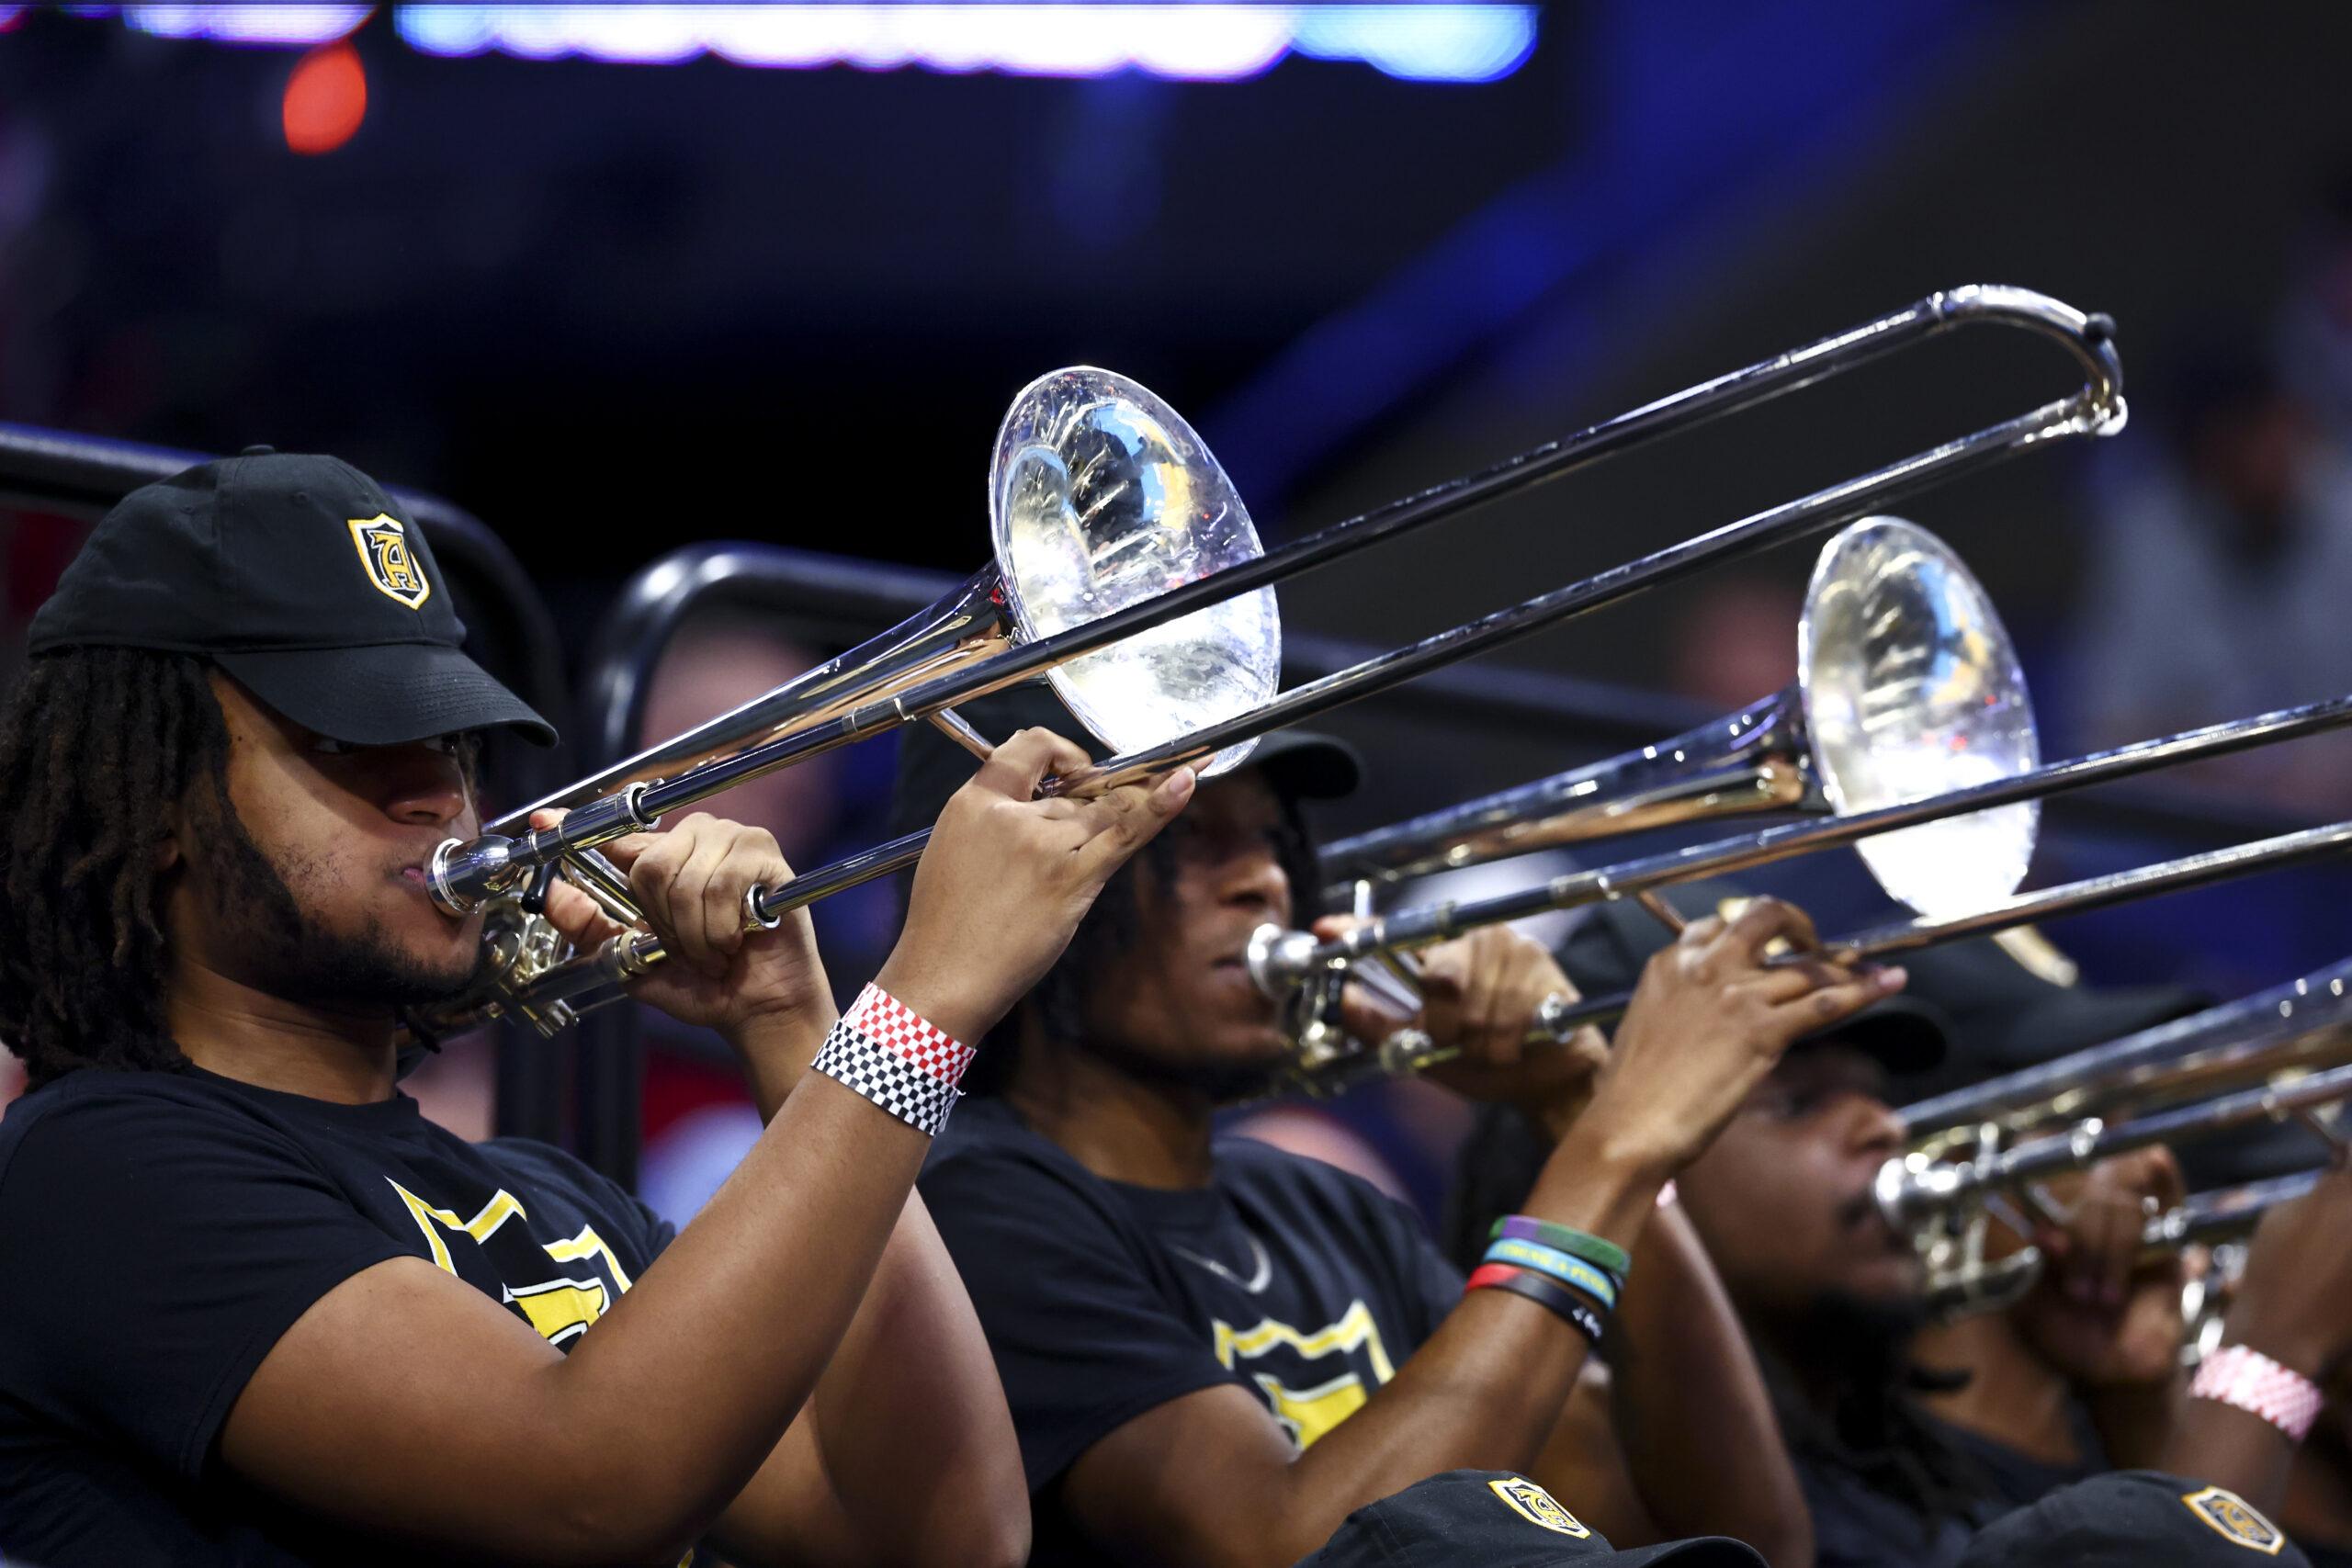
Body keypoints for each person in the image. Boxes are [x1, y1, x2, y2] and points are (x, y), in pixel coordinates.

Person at [0, 450, 1193, 1565]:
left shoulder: (554, 1195)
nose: (439, 791)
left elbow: (945, 1536)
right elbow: (586, 1484)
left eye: (449, 737)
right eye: (349, 738)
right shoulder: (93, 1170)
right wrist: (926, 1001)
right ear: (156, 801)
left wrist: (795, 1026)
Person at [893, 685, 1910, 1568]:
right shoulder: (976, 1206)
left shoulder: (1319, 1206)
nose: (1266, 882)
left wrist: (1580, 1106)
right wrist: (1615, 1146)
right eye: (1190, 839)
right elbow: (1291, 1549)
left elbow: (1737, 1532)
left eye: (1274, 841)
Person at [1452, 888, 2190, 1568]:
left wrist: (2134, 1409)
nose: (1884, 1126)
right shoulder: (1587, 1442)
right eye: (1799, 1103)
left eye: (1874, 1093)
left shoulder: (1902, 1456)